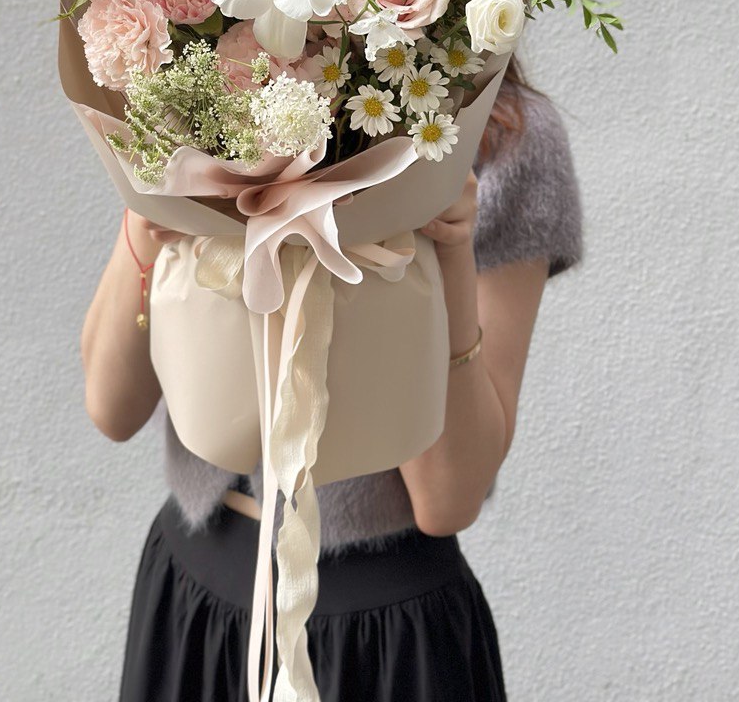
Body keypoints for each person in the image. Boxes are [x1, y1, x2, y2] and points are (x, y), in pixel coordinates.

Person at [80, 55, 584, 701]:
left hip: (381, 637)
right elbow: (110, 407)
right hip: (194, 595)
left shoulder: (500, 133)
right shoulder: (212, 76)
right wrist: (149, 210)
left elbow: (448, 499)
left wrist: (441, 251)